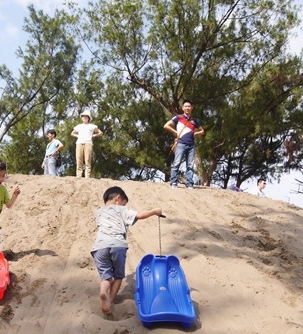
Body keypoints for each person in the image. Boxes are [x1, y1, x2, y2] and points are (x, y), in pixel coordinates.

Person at [91, 186, 163, 315]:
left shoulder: (99, 212)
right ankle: (110, 300)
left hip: (99, 247)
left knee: (106, 277)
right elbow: (140, 215)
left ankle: (103, 292)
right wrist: (154, 211)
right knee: (118, 277)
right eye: (124, 203)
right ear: (118, 198)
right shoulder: (121, 210)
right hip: (118, 245)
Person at [164, 100, 204, 189]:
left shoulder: (194, 121)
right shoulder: (178, 117)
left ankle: (190, 184)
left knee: (190, 165)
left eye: (189, 106)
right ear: (183, 108)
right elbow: (166, 125)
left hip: (191, 145)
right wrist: (176, 132)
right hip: (181, 144)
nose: (187, 108)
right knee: (176, 163)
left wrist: (196, 133)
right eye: (185, 106)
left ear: (192, 108)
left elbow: (202, 131)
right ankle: (174, 182)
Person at [71, 109, 103, 178]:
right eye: (83, 116)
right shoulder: (79, 126)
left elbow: (100, 133)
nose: (84, 117)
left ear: (88, 118)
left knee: (87, 160)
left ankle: (87, 176)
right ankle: (78, 176)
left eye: (86, 116)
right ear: (81, 117)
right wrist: (77, 136)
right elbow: (72, 133)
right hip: (79, 143)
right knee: (79, 159)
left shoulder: (92, 126)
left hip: (88, 143)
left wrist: (94, 135)